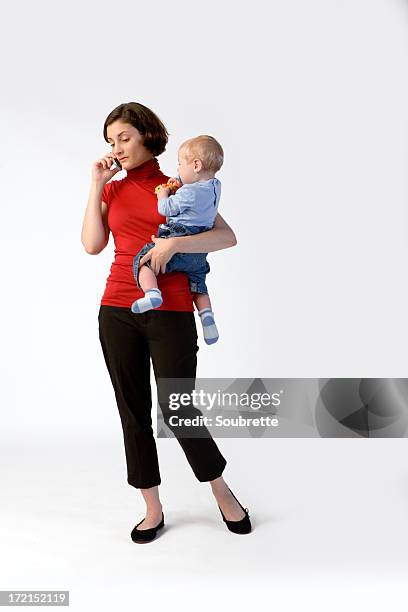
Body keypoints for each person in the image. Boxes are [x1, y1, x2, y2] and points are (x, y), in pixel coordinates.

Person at [81, 101, 252, 542]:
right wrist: (97, 183)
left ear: (147, 137)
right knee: (132, 412)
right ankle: (152, 507)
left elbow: (226, 236)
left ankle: (221, 492)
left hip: (172, 309)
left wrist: (174, 246)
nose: (116, 149)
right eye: (110, 141)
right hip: (117, 309)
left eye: (124, 138)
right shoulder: (113, 189)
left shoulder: (177, 185)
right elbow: (91, 244)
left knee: (179, 408)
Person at [131, 134, 223, 346]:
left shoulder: (188, 193)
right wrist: (179, 181)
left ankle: (152, 293)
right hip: (198, 250)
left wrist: (163, 194)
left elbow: (165, 209)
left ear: (196, 165)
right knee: (198, 283)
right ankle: (206, 315)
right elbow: (194, 182)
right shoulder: (215, 186)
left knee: (143, 260)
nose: (179, 169)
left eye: (181, 164)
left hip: (179, 236)